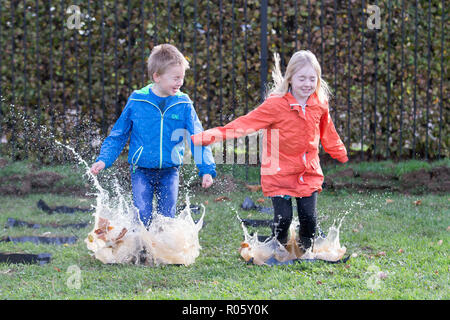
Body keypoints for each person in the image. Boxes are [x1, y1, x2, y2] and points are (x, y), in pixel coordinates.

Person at [191, 50, 348, 251]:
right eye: (302, 78)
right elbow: (245, 124)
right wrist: (208, 137)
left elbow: (328, 131)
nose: (307, 84)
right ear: (290, 78)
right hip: (279, 173)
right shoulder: (275, 105)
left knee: (309, 219)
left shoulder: (319, 104)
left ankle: (304, 250)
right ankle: (279, 248)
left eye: (312, 78)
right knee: (283, 219)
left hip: (307, 172)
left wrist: (339, 151)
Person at [90, 44, 216, 228]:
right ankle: (141, 251)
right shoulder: (137, 100)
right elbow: (119, 134)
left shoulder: (183, 103)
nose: (180, 82)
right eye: (175, 78)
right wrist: (104, 159)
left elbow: (198, 137)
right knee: (142, 214)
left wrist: (206, 169)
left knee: (167, 217)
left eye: (182, 77)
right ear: (157, 76)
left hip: (170, 170)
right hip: (141, 170)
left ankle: (161, 252)